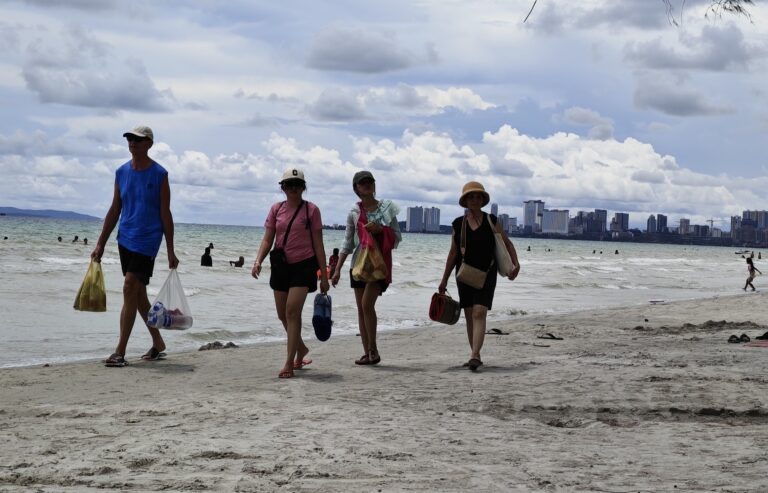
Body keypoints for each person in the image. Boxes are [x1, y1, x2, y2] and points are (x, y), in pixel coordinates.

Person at [91, 125, 178, 367]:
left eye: (138, 140)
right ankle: (158, 342)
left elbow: (165, 212)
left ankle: (119, 351)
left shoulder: (160, 174)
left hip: (148, 239)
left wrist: (170, 249)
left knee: (129, 287)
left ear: (149, 144)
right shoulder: (121, 172)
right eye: (129, 139)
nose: (132, 143)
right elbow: (115, 209)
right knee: (137, 294)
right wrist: (100, 243)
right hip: (125, 238)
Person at [252, 168, 329, 378]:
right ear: (283, 188)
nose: (293, 188)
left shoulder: (311, 210)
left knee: (292, 312)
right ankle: (301, 348)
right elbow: (268, 239)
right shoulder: (276, 209)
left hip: (304, 265)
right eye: (288, 185)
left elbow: (318, 244)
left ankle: (289, 362)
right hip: (280, 265)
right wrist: (258, 261)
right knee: (282, 314)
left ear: (303, 187)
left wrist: (324, 274)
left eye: (297, 184)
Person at [438, 181, 520, 371]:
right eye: (471, 196)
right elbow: (453, 253)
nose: (475, 199)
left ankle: (474, 355)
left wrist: (516, 264)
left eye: (478, 196)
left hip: (487, 273)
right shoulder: (458, 224)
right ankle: (475, 352)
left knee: (479, 312)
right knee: (469, 315)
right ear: (465, 201)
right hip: (464, 274)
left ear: (483, 200)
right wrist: (443, 280)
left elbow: (507, 244)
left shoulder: (491, 220)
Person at [331, 171, 401, 366]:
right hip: (358, 265)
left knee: (366, 305)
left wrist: (381, 230)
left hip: (379, 265)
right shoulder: (353, 212)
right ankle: (367, 353)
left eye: (370, 181)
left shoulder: (387, 209)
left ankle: (373, 350)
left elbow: (396, 237)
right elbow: (347, 243)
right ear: (356, 189)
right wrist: (336, 270)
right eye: (362, 183)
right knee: (362, 310)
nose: (367, 185)